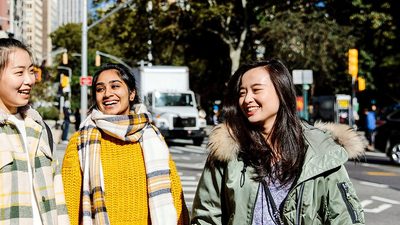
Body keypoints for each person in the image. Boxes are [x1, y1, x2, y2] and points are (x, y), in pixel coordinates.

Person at [191, 59, 365, 225]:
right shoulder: (227, 150)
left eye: (256, 90)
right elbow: (206, 217)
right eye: (242, 93)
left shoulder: (322, 152)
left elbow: (344, 217)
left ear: (281, 91)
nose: (247, 99)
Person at [62, 63, 189, 225]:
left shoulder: (152, 136)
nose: (108, 94)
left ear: (131, 93)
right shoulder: (80, 140)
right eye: (100, 89)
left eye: (115, 86)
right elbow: (68, 204)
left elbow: (174, 194)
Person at [0, 38, 70, 224]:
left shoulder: (40, 128)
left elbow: (57, 195)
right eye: (19, 72)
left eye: (31, 71)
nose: (30, 80)